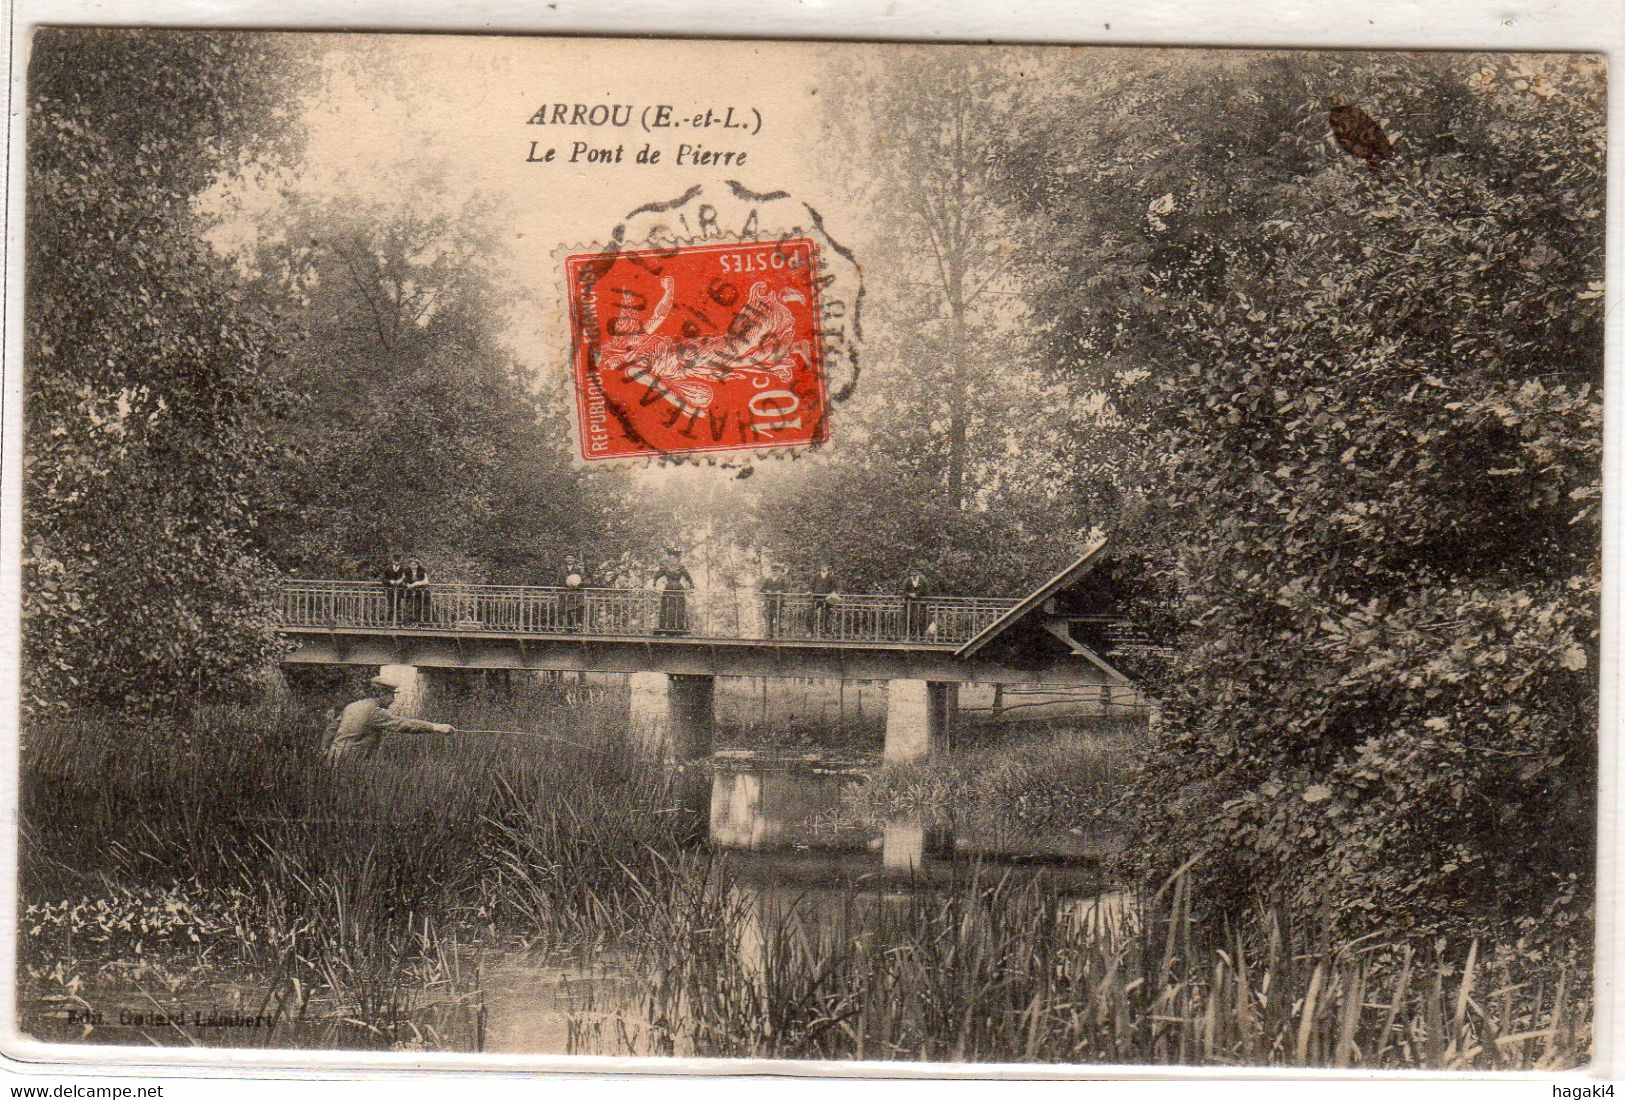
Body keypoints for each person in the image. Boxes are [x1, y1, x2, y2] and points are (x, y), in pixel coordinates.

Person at [322, 677, 460, 763]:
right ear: (380, 694)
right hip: (352, 763)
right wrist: (435, 727)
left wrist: (324, 750)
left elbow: (331, 729)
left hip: (333, 759)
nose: (393, 700)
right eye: (390, 695)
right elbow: (403, 724)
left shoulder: (352, 706)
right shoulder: (375, 712)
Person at [652, 547, 695, 635]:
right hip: (668, 589)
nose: (672, 559)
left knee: (679, 608)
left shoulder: (681, 567)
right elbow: (657, 575)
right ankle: (665, 627)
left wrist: (692, 586)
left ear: (677, 558)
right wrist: (654, 585)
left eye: (674, 557)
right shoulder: (665, 567)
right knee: (668, 607)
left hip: (678, 589)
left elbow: (688, 577)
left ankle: (680, 627)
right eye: (671, 557)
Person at [759, 562, 787, 639]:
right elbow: (762, 589)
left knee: (778, 618)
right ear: (771, 571)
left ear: (779, 571)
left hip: (779, 602)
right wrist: (767, 591)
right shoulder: (768, 580)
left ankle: (779, 634)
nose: (775, 572)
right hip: (770, 602)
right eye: (773, 570)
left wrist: (780, 591)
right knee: (769, 618)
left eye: (776, 570)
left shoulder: (782, 580)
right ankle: (770, 634)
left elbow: (786, 589)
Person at [561, 553, 588, 632]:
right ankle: (568, 627)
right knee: (567, 610)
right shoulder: (562, 569)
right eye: (568, 558)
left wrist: (578, 585)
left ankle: (579, 627)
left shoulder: (579, 569)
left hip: (577, 592)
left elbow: (585, 580)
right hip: (566, 593)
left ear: (574, 559)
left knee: (579, 609)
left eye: (571, 558)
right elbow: (559, 581)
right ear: (565, 559)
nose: (569, 560)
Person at [809, 566, 837, 637]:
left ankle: (826, 630)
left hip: (827, 597)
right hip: (817, 597)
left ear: (827, 570)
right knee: (812, 612)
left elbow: (834, 586)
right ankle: (812, 630)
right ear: (821, 569)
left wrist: (832, 593)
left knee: (828, 612)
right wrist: (810, 591)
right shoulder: (816, 576)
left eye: (825, 569)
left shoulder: (830, 577)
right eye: (823, 569)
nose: (824, 570)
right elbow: (811, 586)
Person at [903, 568, 930, 640]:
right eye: (912, 572)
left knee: (921, 619)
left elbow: (927, 591)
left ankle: (921, 636)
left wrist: (917, 595)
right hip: (910, 604)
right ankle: (910, 636)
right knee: (910, 620)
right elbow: (903, 592)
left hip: (921, 604)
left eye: (915, 571)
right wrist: (909, 594)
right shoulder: (907, 581)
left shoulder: (923, 581)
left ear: (918, 572)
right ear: (910, 573)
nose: (914, 573)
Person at [403, 557, 430, 625]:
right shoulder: (406, 571)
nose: (413, 567)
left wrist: (417, 583)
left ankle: (421, 622)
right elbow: (403, 580)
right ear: (409, 565)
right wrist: (407, 585)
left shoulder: (422, 570)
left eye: (415, 565)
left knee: (421, 606)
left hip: (420, 592)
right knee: (409, 606)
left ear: (418, 565)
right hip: (410, 592)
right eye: (412, 565)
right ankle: (409, 622)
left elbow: (426, 581)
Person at [381, 556, 407, 625]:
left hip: (400, 591)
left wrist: (401, 580)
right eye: (395, 560)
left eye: (398, 560)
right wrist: (390, 581)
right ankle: (389, 622)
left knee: (399, 606)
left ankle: (399, 622)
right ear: (392, 560)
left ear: (401, 560)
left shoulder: (403, 569)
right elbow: (383, 578)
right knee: (390, 605)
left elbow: (406, 578)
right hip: (389, 590)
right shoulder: (388, 568)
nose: (396, 562)